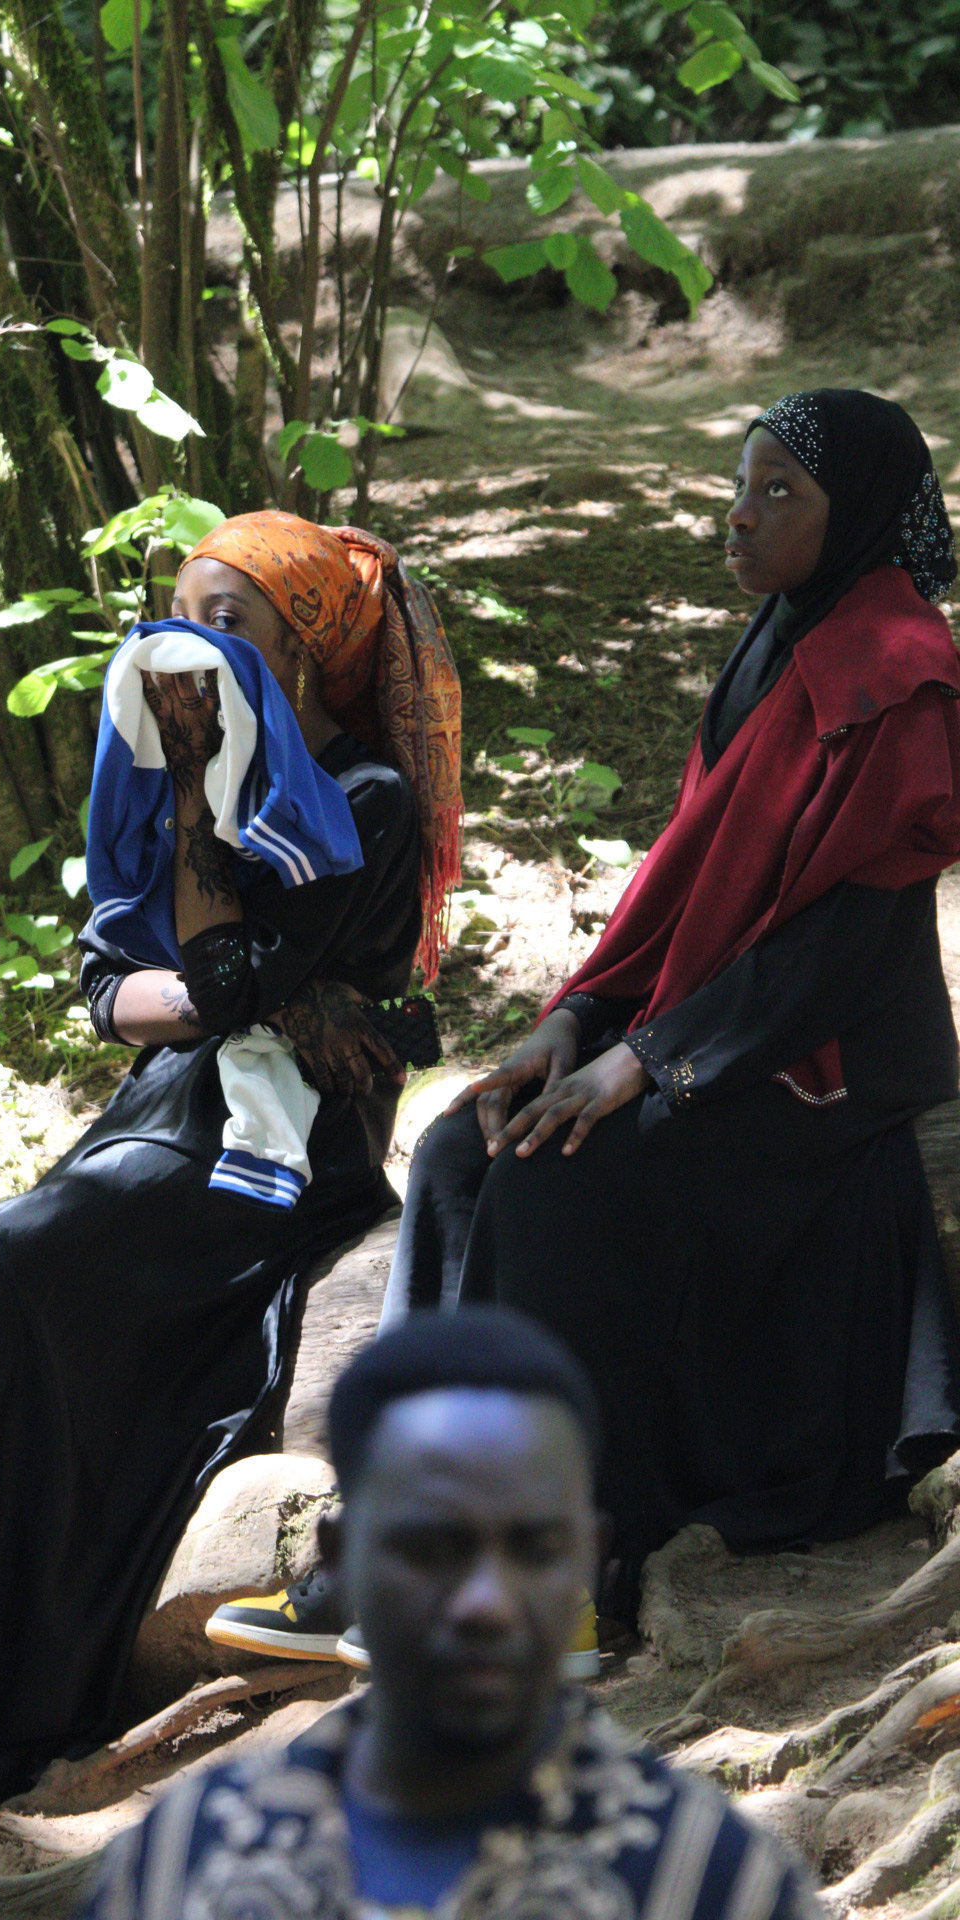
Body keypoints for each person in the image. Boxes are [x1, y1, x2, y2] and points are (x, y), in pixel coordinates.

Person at [0, 511, 462, 1827]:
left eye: (230, 623)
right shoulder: (179, 782)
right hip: (166, 1112)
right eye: (181, 616)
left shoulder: (364, 802)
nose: (193, 645)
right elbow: (114, 988)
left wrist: (219, 924)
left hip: (281, 1144)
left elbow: (229, 978)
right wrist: (228, 958)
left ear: (305, 650)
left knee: (2, 1259)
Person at [381, 388, 960, 1622]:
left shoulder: (896, 674)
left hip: (823, 1055)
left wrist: (651, 1062)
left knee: (557, 1179)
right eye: (737, 484)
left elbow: (839, 947)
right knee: (453, 1148)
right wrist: (575, 1020)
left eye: (776, 495)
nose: (736, 518)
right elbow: (687, 873)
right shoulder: (782, 632)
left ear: (848, 511)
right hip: (699, 1019)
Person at [77, 1308, 818, 1920]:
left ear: (586, 1559)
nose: (486, 1602)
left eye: (532, 1547)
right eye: (432, 1547)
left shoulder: (713, 1884)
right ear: (339, 1557)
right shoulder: (181, 1866)